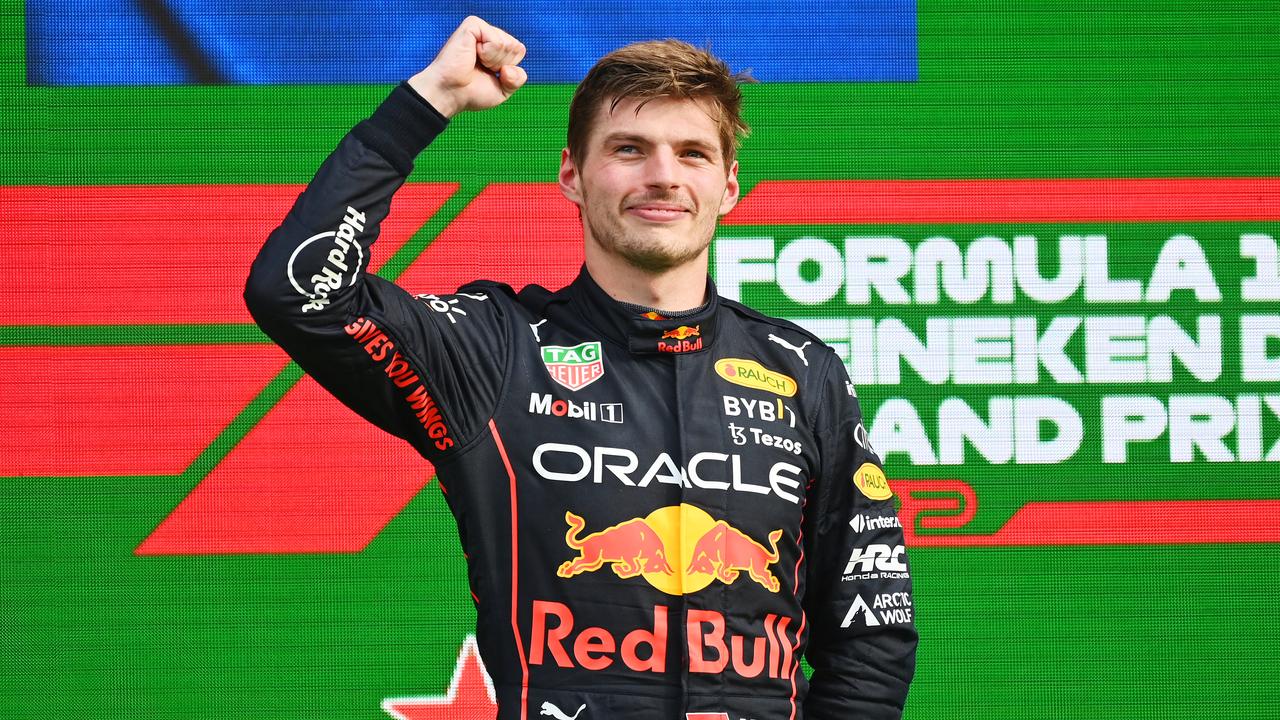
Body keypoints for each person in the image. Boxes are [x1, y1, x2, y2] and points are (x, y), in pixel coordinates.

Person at [245, 16, 916, 719]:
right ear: (571, 173)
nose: (662, 176)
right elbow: (297, 292)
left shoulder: (803, 370)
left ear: (728, 187)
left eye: (692, 154)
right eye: (629, 149)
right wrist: (429, 99)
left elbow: (870, 630)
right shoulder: (495, 347)